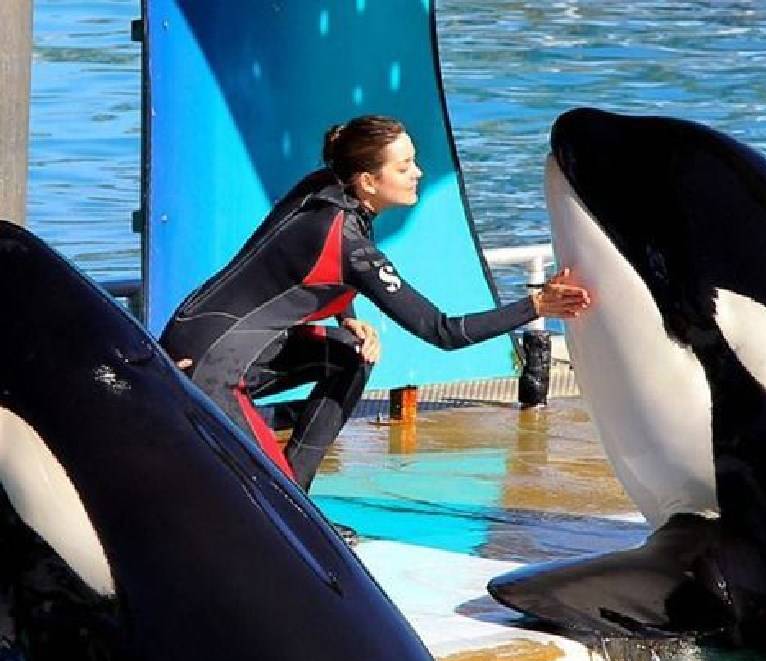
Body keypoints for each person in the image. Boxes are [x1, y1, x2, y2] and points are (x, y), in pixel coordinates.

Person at [160, 115, 591, 492]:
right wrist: (536, 306)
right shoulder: (353, 248)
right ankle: (289, 505)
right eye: (404, 167)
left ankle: (298, 493)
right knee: (269, 499)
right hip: (214, 370)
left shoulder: (321, 188)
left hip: (199, 338)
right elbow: (443, 331)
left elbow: (300, 266)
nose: (418, 172)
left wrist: (347, 316)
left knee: (351, 356)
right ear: (367, 181)